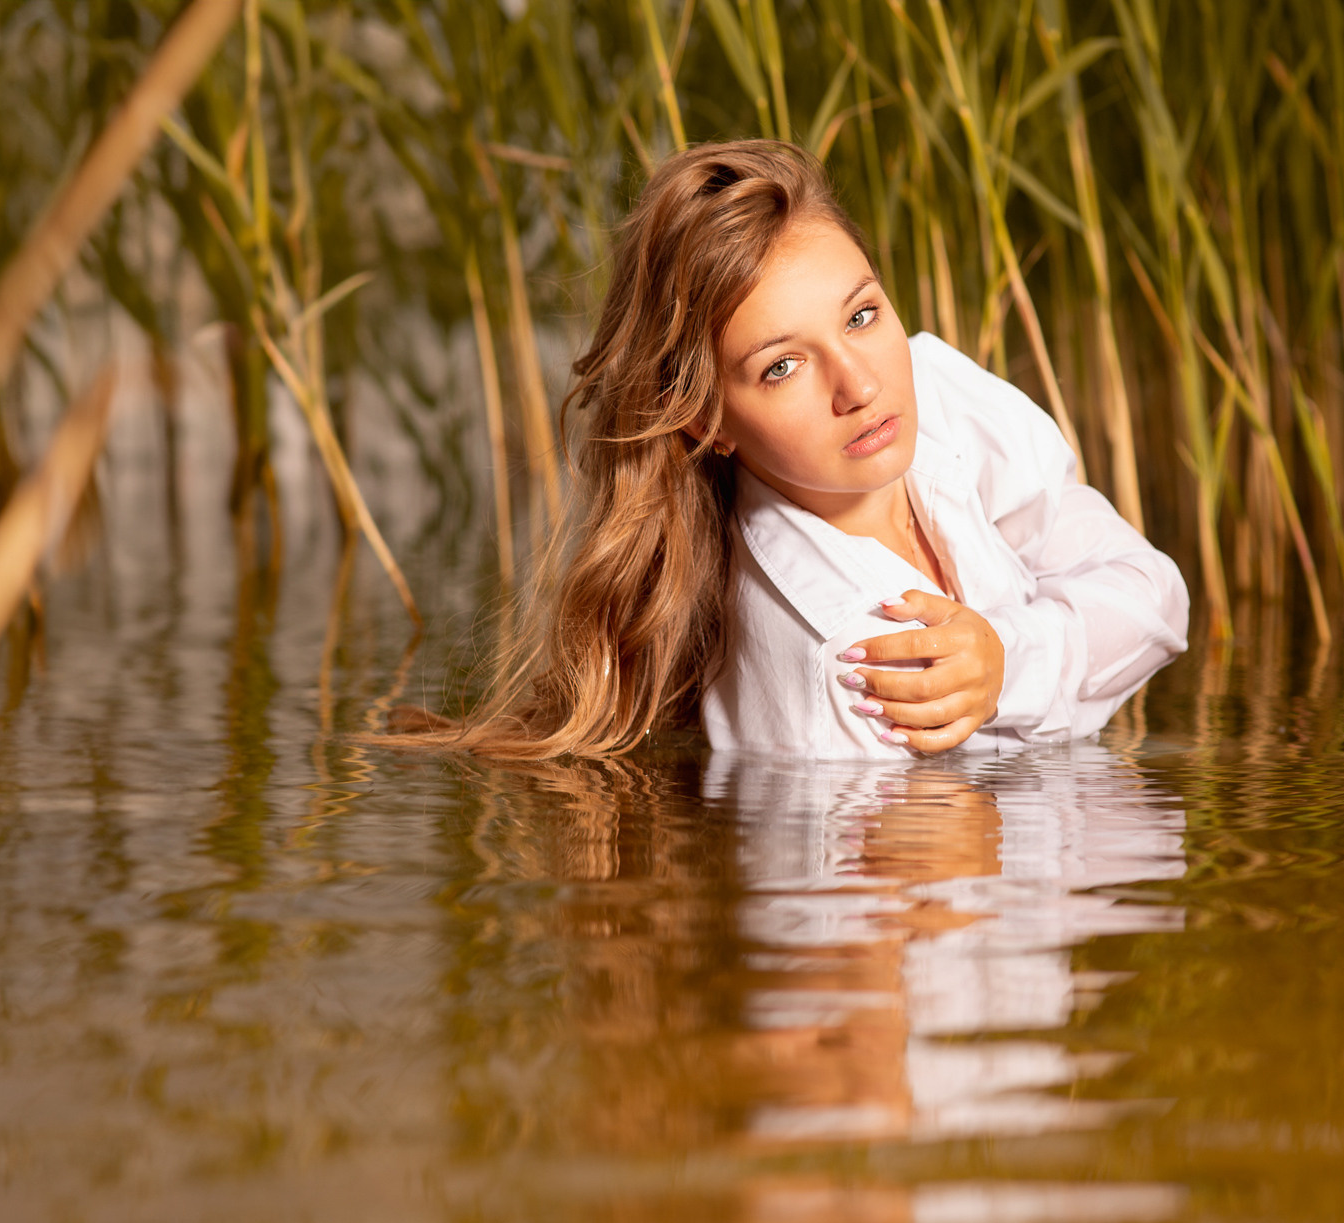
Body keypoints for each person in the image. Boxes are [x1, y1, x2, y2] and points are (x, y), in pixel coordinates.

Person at [416, 139, 1187, 760]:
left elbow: (1155, 594)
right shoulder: (841, 657)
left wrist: (1005, 664)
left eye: (860, 316)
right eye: (781, 366)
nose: (859, 383)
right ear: (706, 422)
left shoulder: (941, 403)